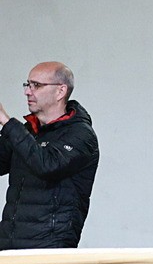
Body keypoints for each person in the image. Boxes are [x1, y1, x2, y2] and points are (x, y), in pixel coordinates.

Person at [0, 62, 100, 250]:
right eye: (27, 85)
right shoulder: (27, 131)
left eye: (36, 85)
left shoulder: (80, 134)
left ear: (60, 91)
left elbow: (47, 165)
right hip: (8, 246)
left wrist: (5, 121)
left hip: (49, 249)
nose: (28, 92)